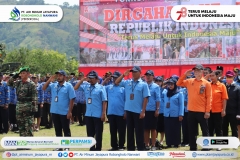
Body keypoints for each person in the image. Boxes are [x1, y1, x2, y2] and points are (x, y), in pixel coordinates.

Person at [176, 64, 212, 151]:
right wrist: (185, 74)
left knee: (205, 130)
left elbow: (209, 98)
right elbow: (178, 83)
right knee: (192, 130)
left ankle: (206, 147)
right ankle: (193, 147)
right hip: (191, 110)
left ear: (202, 72)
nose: (196, 72)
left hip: (202, 111)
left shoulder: (206, 83)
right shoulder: (189, 81)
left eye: (198, 70)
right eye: (195, 71)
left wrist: (207, 111)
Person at [115, 66, 150, 151]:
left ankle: (140, 147)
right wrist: (123, 75)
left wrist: (143, 111)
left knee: (139, 131)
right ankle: (130, 148)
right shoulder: (128, 82)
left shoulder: (143, 84)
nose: (133, 73)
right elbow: (116, 82)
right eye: (132, 72)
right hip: (128, 110)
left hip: (138, 111)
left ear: (139, 72)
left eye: (135, 72)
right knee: (129, 130)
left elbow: (146, 98)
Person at [42, 70, 76, 151]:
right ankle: (59, 146)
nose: (58, 77)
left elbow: (72, 99)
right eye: (58, 75)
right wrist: (49, 80)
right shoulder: (54, 85)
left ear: (64, 77)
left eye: (60, 75)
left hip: (64, 111)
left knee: (66, 130)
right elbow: (44, 88)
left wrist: (70, 112)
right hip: (55, 111)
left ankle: (67, 146)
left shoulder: (69, 86)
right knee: (58, 129)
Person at [74, 70, 107, 151]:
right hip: (88, 114)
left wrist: (103, 113)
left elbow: (104, 101)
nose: (91, 80)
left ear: (96, 78)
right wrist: (82, 80)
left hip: (98, 114)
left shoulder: (101, 88)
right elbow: (75, 88)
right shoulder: (86, 86)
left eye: (92, 78)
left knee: (98, 133)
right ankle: (91, 148)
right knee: (90, 132)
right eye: (89, 78)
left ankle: (98, 148)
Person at [7, 67, 37, 141]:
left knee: (28, 124)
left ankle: (29, 142)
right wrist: (16, 75)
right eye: (21, 73)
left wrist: (34, 109)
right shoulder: (18, 82)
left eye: (24, 73)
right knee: (20, 124)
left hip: (28, 105)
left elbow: (34, 97)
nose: (22, 75)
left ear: (28, 74)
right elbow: (9, 83)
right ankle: (22, 142)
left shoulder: (31, 84)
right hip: (19, 105)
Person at [105, 71, 126, 151]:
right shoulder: (109, 87)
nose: (114, 79)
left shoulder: (123, 88)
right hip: (111, 112)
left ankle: (121, 146)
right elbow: (100, 87)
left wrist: (125, 112)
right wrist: (106, 80)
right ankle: (114, 146)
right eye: (113, 77)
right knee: (112, 130)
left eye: (116, 77)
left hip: (121, 113)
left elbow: (126, 100)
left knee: (121, 130)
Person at [208, 70, 228, 151]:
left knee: (218, 128)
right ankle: (209, 145)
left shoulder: (222, 86)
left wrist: (223, 110)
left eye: (213, 76)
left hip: (218, 110)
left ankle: (219, 144)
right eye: (211, 76)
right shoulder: (208, 85)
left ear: (217, 76)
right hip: (209, 110)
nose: (211, 77)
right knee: (209, 128)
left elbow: (224, 99)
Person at [163, 77, 184, 148]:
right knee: (168, 129)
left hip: (176, 114)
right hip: (167, 114)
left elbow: (181, 104)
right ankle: (168, 143)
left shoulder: (179, 93)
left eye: (172, 84)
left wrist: (181, 114)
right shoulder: (166, 92)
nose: (170, 86)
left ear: (175, 84)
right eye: (169, 84)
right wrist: (164, 83)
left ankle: (176, 143)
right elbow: (160, 91)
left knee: (176, 129)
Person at [144, 70, 160, 151]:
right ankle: (146, 144)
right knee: (146, 128)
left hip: (153, 110)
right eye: (147, 75)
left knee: (153, 128)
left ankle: (153, 145)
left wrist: (157, 109)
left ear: (153, 76)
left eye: (149, 75)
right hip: (145, 109)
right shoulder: (143, 85)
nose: (148, 76)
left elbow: (158, 99)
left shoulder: (156, 86)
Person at [222, 70, 240, 138]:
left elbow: (239, 102)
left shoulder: (237, 88)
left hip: (234, 112)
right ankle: (224, 142)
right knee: (224, 128)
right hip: (224, 111)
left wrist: (238, 113)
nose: (228, 78)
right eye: (227, 77)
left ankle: (234, 143)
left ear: (233, 77)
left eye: (230, 77)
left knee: (234, 129)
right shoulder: (223, 86)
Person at [155, 76, 165, 147]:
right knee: (155, 127)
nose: (158, 82)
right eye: (157, 81)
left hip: (163, 111)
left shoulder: (164, 90)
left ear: (162, 82)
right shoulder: (153, 89)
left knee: (162, 128)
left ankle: (161, 140)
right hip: (155, 110)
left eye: (160, 81)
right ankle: (155, 140)